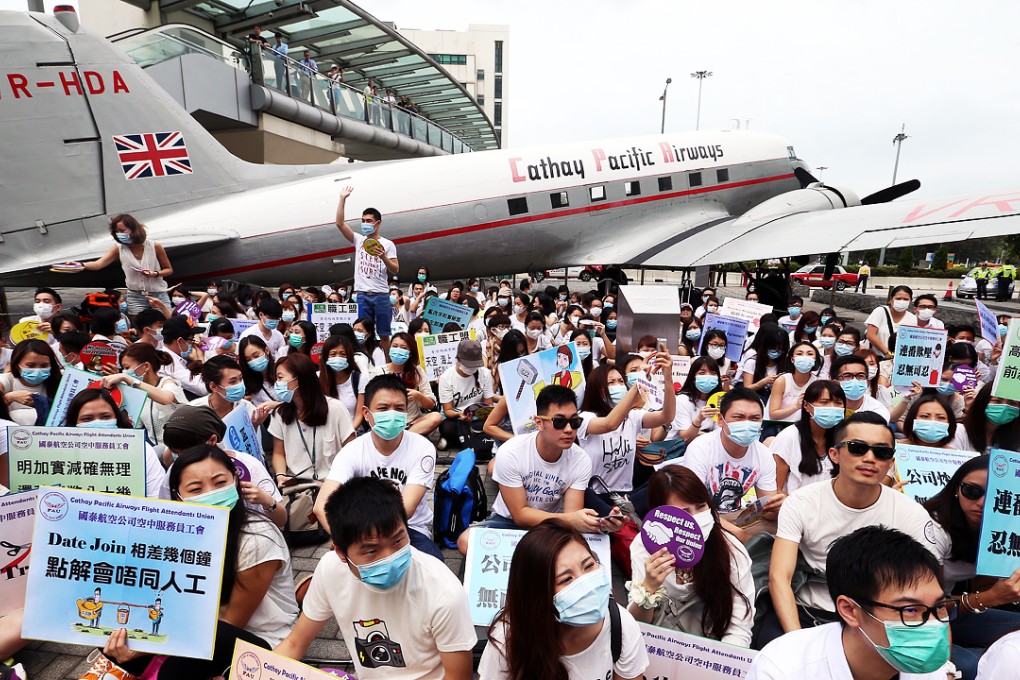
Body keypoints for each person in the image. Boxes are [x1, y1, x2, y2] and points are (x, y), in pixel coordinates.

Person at [104, 446, 298, 678]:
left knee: (172, 672)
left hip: (256, 642)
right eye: (196, 489)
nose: (211, 493)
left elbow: (230, 623)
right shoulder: (180, 536)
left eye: (219, 483)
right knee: (108, 634)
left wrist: (151, 646)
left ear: (236, 480)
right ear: (178, 496)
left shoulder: (257, 540)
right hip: (195, 630)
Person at [760, 412, 944, 648]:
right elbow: (779, 578)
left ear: (891, 461)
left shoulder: (911, 514)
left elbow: (928, 589)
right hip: (807, 611)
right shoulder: (802, 502)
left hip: (875, 621)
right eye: (857, 448)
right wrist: (797, 641)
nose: (870, 458)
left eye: (882, 452)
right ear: (834, 454)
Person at [276, 476, 476, 678]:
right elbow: (295, 643)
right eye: (372, 551)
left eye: (398, 540)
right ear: (341, 553)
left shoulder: (443, 593)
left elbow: (458, 676)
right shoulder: (330, 570)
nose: (389, 558)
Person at [749, 525, 954, 680]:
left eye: (939, 607)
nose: (931, 624)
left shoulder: (927, 669)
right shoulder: (784, 668)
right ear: (850, 611)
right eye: (910, 610)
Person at [459, 385, 623, 554]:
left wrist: (602, 525)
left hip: (549, 526)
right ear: (539, 422)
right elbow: (520, 515)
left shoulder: (580, 460)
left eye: (575, 422)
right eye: (559, 422)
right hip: (507, 521)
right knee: (466, 541)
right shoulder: (511, 451)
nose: (568, 429)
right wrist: (569, 520)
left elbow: (572, 514)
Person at [479, 519, 649, 680]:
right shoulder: (509, 637)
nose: (587, 584)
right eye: (566, 579)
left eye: (589, 565)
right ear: (538, 594)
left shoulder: (621, 626)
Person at [314, 374, 443, 560]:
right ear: (366, 413)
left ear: (407, 413)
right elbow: (321, 506)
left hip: (407, 528)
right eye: (383, 408)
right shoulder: (352, 450)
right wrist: (346, 542)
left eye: (399, 408)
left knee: (432, 565)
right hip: (361, 530)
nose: (391, 414)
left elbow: (407, 508)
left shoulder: (422, 448)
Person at [628, 466, 754, 645]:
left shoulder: (731, 551)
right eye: (684, 513)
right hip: (659, 648)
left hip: (712, 649)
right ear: (660, 515)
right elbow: (636, 626)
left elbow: (739, 627)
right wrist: (649, 588)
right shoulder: (645, 546)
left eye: (701, 506)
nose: (696, 519)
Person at [922, 454, 1020, 677]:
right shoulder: (933, 529)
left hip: (954, 613)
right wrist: (991, 597)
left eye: (997, 495)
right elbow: (923, 606)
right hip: (919, 619)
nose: (983, 502)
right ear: (956, 489)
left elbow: (984, 582)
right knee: (971, 665)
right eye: (973, 492)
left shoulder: (1009, 527)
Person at [577, 354, 675, 506]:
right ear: (599, 389)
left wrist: (667, 378)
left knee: (667, 481)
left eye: (621, 381)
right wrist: (640, 382)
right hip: (594, 496)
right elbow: (609, 424)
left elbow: (666, 416)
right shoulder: (585, 418)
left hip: (625, 495)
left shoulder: (632, 417)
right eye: (612, 382)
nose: (619, 386)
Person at [62, 388, 165, 497]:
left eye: (106, 417)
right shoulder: (60, 453)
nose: (98, 423)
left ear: (116, 417)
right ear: (74, 423)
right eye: (87, 419)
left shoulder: (141, 450)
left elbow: (157, 498)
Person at [66, 214, 174, 314]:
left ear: (133, 229)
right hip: (135, 295)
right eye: (117, 232)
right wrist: (81, 265)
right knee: (140, 327)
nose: (120, 234)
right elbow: (99, 264)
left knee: (166, 323)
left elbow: (168, 269)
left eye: (122, 230)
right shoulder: (118, 249)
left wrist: (154, 274)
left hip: (158, 293)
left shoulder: (155, 246)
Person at [335, 186, 399, 353]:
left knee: (384, 334)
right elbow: (339, 224)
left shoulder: (388, 244)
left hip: (381, 296)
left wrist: (384, 257)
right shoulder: (359, 240)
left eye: (369, 221)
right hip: (362, 295)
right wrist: (342, 198)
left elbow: (395, 269)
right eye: (363, 220)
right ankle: (365, 361)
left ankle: (387, 364)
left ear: (378, 223)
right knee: (362, 333)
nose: (365, 224)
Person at [101, 343, 186, 448]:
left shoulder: (168, 383)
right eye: (123, 368)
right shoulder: (135, 391)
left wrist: (129, 379)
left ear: (146, 366)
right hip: (155, 451)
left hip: (180, 448)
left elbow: (165, 399)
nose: (125, 372)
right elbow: (135, 426)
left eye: (127, 367)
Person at [771, 380, 847, 493]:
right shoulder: (788, 438)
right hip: (795, 507)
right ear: (806, 406)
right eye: (824, 402)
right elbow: (776, 490)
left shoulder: (844, 439)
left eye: (838, 402)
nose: (832, 407)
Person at [373, 332, 441, 436]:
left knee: (436, 417)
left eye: (403, 347)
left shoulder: (417, 372)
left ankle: (404, 437)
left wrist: (418, 395)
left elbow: (431, 405)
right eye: (395, 346)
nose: (398, 350)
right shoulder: (378, 372)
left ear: (410, 353)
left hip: (413, 422)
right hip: (387, 422)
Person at [438, 339, 494, 450]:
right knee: (447, 428)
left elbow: (489, 403)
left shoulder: (485, 374)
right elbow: (448, 410)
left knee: (495, 423)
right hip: (457, 417)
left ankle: (461, 440)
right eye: (468, 365)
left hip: (478, 416)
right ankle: (472, 439)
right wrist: (460, 415)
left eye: (475, 365)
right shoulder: (447, 378)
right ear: (458, 359)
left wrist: (485, 414)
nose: (472, 369)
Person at [0, 339, 61, 425]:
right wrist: (9, 398)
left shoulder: (60, 384)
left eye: (44, 366)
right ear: (17, 365)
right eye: (31, 365)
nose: (38, 370)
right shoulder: (6, 380)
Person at [668, 357, 724, 442]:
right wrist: (699, 419)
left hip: (707, 445)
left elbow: (720, 432)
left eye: (712, 373)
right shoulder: (682, 400)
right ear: (693, 378)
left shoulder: (719, 399)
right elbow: (685, 438)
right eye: (702, 373)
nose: (708, 377)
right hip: (678, 449)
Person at [953, 383, 1020, 451]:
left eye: (1012, 403)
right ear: (982, 401)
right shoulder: (958, 432)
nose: (1004, 407)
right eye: (997, 401)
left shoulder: (1016, 441)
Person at [768, 341, 820, 423]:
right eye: (799, 354)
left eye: (810, 354)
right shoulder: (782, 381)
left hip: (805, 428)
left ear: (815, 359)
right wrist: (796, 406)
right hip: (780, 426)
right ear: (792, 359)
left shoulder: (818, 383)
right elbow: (773, 415)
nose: (804, 357)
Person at [158, 315, 208, 397]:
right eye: (191, 339)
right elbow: (204, 388)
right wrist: (201, 357)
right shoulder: (168, 362)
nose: (193, 343)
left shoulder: (168, 355)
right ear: (180, 341)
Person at [830, 354, 891, 421]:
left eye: (860, 375)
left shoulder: (877, 411)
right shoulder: (824, 408)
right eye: (847, 376)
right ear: (835, 383)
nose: (855, 380)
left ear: (867, 381)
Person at [866, 285, 918, 360]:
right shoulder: (880, 311)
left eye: (905, 299)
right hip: (875, 359)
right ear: (891, 299)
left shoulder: (913, 319)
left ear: (910, 301)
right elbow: (871, 335)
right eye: (898, 298)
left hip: (897, 360)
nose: (902, 301)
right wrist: (887, 353)